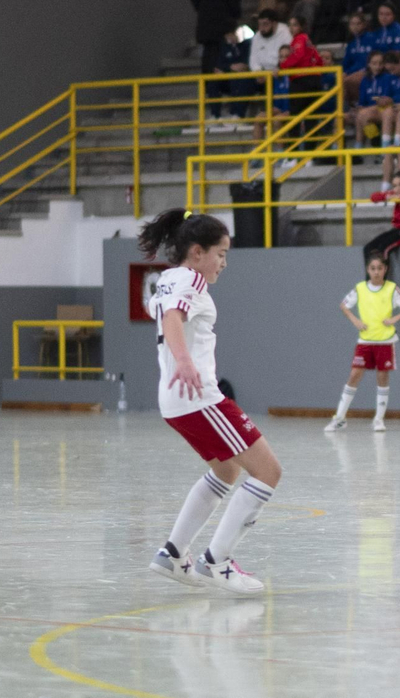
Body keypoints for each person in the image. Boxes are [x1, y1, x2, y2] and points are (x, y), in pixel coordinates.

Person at [141, 210, 280, 596]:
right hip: (200, 397)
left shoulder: (169, 278)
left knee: (225, 471)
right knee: (268, 471)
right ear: (197, 252)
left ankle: (172, 553)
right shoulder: (191, 279)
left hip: (175, 400)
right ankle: (217, 560)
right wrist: (185, 361)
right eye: (221, 253)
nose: (224, 262)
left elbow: (170, 313)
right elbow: (172, 319)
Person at [324, 252, 400, 434]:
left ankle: (379, 419)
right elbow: (344, 305)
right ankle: (339, 418)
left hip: (385, 341)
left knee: (382, 378)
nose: (376, 272)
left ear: (385, 269)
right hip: (365, 340)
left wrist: (394, 319)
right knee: (354, 375)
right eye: (373, 268)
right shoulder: (360, 289)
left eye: (379, 268)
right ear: (368, 270)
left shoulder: (391, 289)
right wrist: (355, 320)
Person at [191, 0, 242, 118]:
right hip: (223, 19)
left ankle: (212, 105)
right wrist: (234, 16)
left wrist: (202, 9)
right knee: (224, 60)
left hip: (206, 19)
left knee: (209, 60)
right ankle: (229, 101)